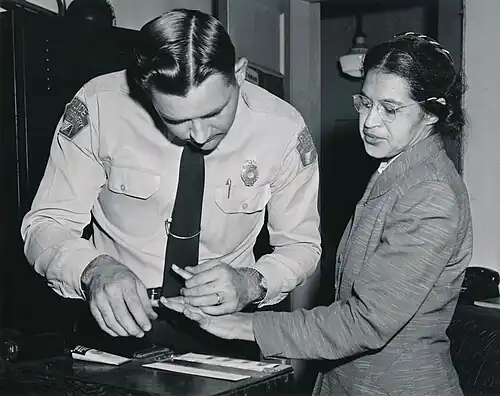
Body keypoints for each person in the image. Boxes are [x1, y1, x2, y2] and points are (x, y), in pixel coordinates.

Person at [162, 32, 472, 395]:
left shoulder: (430, 193)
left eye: (389, 109)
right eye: (365, 103)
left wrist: (240, 325)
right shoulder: (398, 169)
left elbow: (366, 322)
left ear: (431, 113)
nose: (370, 122)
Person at [20, 9, 321, 353]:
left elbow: (302, 245)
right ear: (144, 91)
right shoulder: (100, 105)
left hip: (228, 330)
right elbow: (46, 223)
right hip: (115, 327)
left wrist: (251, 282)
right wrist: (93, 270)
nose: (200, 134)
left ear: (238, 73)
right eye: (175, 119)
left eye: (214, 112)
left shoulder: (282, 129)